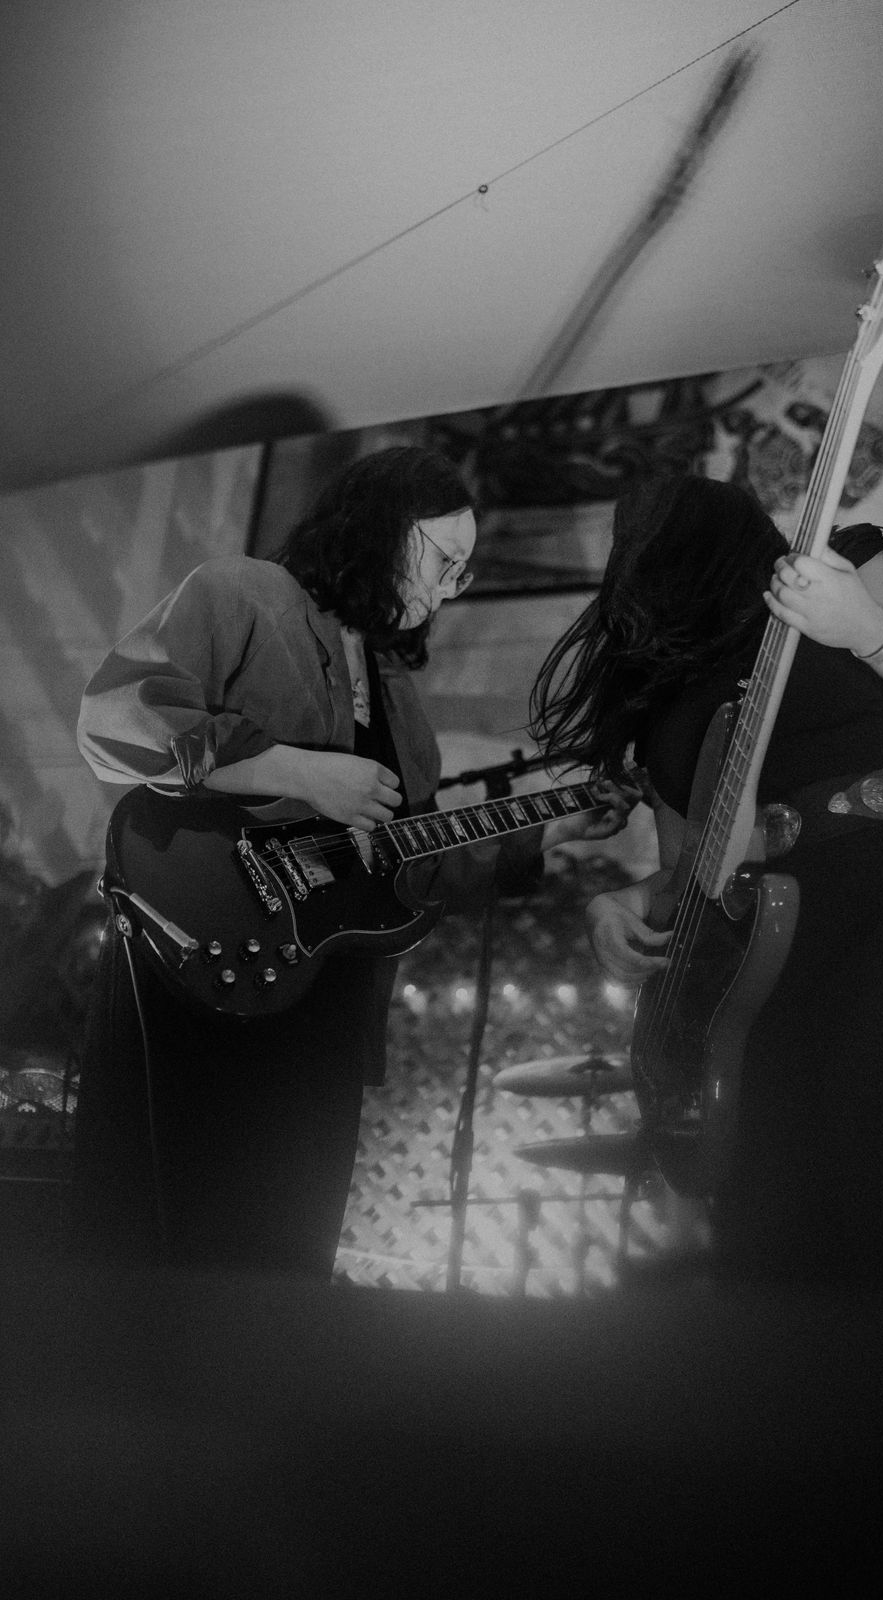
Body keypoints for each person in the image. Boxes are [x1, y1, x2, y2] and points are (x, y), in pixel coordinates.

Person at [71, 445, 630, 1279]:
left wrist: (553, 829)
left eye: (464, 572)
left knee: (287, 1262)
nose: (451, 588)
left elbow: (405, 870)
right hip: (194, 964)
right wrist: (296, 771)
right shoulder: (244, 592)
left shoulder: (397, 691)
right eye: (445, 560)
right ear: (384, 529)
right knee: (162, 1242)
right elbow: (116, 719)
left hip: (325, 1003)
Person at [529, 472, 883, 1313]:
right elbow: (692, 872)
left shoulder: (845, 568)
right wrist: (618, 903)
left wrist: (867, 628)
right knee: (782, 1222)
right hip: (756, 963)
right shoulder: (662, 684)